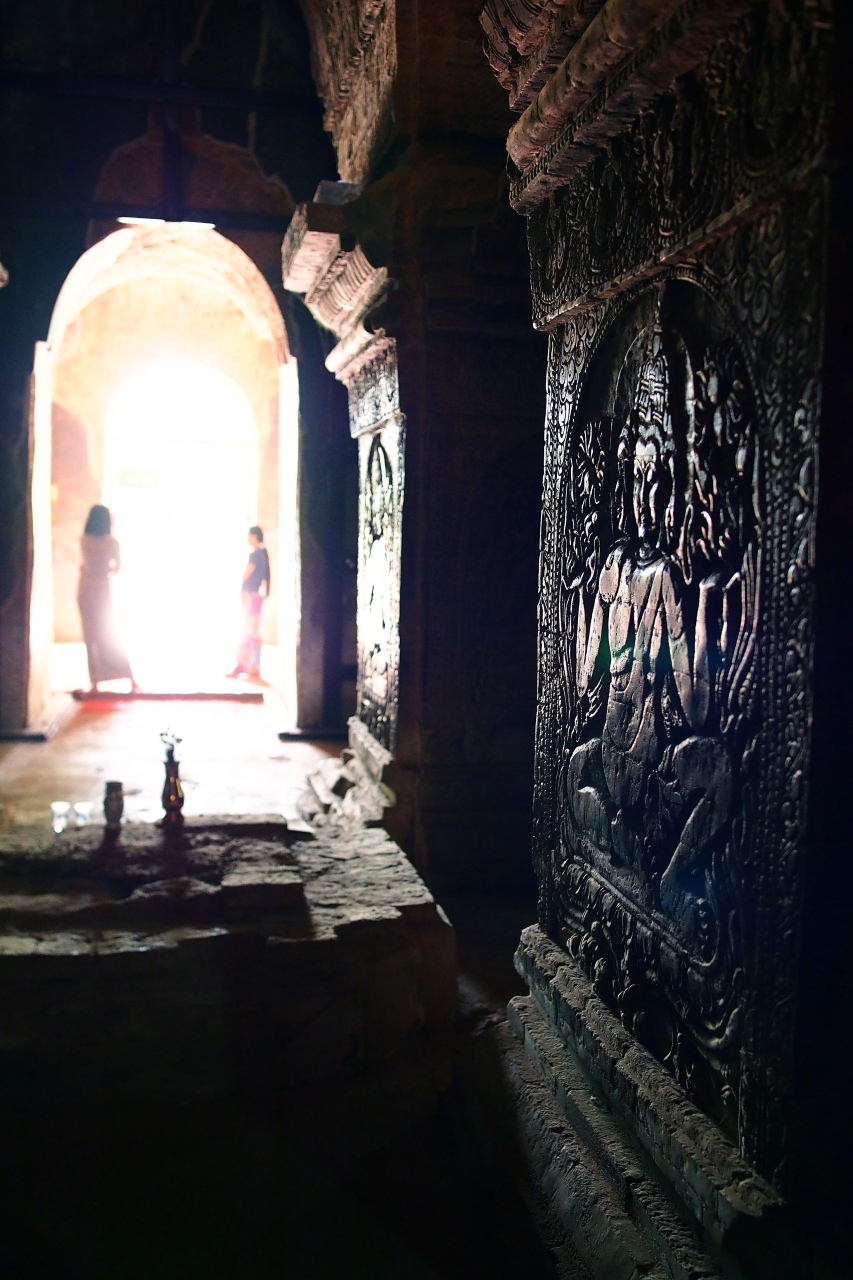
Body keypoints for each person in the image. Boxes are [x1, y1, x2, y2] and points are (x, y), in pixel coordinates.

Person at [77, 504, 137, 693]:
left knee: (91, 636)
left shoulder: (84, 540)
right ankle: (128, 676)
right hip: (102, 590)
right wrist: (105, 569)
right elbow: (117, 568)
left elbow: (84, 564)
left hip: (84, 589)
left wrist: (88, 568)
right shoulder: (112, 543)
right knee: (110, 633)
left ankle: (95, 680)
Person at [227, 526, 270, 681]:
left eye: (248, 535)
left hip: (249, 597)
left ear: (254, 537)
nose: (247, 538)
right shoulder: (263, 555)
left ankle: (241, 666)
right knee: (253, 632)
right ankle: (253, 667)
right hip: (256, 596)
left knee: (246, 631)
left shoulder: (256, 555)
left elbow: (245, 575)